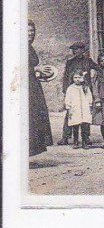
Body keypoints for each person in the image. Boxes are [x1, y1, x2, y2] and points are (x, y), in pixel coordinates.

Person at [59, 42, 97, 145]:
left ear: (82, 50)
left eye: (76, 49)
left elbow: (98, 68)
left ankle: (86, 137)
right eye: (73, 49)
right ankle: (66, 137)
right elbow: (66, 76)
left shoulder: (88, 61)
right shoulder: (70, 62)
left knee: (86, 114)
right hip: (73, 90)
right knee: (70, 113)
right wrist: (65, 90)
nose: (74, 51)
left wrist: (93, 72)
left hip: (85, 90)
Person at [28, 20, 54, 157]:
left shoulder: (29, 47)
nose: (30, 34)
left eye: (32, 31)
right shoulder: (17, 46)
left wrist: (41, 74)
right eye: (27, 31)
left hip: (33, 86)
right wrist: (35, 69)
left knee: (36, 116)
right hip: (23, 89)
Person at [64, 69, 93, 149]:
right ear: (72, 78)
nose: (77, 79)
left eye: (79, 77)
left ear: (82, 78)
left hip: (84, 108)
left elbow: (89, 97)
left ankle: (84, 142)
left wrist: (90, 106)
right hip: (75, 109)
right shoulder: (70, 88)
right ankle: (76, 142)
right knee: (75, 126)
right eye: (75, 77)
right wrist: (68, 108)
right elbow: (68, 99)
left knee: (84, 126)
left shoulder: (85, 87)